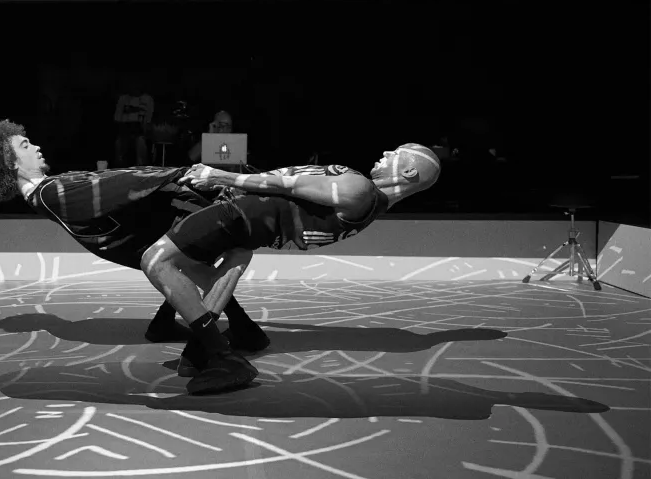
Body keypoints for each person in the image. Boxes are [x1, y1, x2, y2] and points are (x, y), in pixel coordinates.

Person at [0, 119, 270, 395]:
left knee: (193, 258)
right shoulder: (50, 191)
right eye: (25, 146)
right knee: (217, 252)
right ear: (11, 162)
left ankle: (219, 332)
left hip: (134, 236)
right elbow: (117, 183)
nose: (37, 147)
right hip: (138, 236)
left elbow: (108, 185)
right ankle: (221, 352)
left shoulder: (44, 193)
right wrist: (176, 174)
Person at [140, 145, 442, 385]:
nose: (386, 153)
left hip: (241, 211)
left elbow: (287, 185)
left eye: (396, 153)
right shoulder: (372, 208)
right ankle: (197, 352)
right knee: (234, 260)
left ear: (409, 170)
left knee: (156, 260)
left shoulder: (360, 189)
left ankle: (221, 355)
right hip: (253, 227)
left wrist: (219, 175)